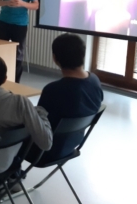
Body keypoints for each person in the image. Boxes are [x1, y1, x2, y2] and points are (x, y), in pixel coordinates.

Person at [27, 34, 103, 163]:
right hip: (72, 144)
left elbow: (37, 122)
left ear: (55, 58)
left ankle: (8, 175)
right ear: (83, 55)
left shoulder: (53, 90)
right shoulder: (95, 81)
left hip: (42, 151)